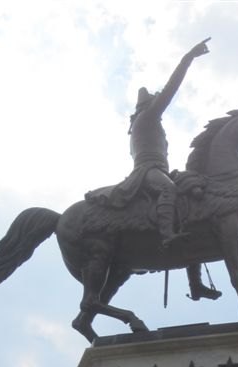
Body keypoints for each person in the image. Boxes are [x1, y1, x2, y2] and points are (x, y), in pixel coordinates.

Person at [86, 38, 221, 301]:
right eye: (156, 101)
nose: (160, 102)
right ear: (146, 107)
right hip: (147, 171)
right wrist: (187, 59)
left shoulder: (149, 123)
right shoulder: (147, 119)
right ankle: (168, 236)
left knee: (193, 205)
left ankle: (196, 283)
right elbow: (171, 89)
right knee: (169, 190)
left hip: (160, 169)